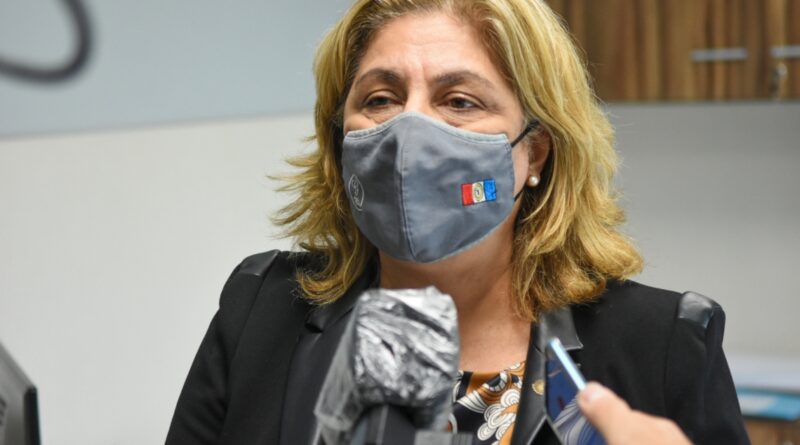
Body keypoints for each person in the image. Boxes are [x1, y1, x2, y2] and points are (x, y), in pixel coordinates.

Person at [166, 1, 749, 444]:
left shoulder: (664, 343)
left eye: (460, 101)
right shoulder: (262, 310)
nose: (409, 133)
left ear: (535, 153)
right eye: (380, 98)